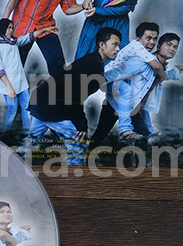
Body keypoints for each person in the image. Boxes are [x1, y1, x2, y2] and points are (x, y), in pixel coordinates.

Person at [26, 27, 121, 165]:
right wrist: (81, 125)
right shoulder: (92, 64)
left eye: (118, 45)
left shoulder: (94, 62)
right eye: (114, 44)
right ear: (102, 45)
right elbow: (74, 94)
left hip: (40, 102)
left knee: (30, 144)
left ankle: (13, 167)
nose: (117, 49)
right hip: (50, 106)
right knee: (78, 148)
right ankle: (75, 177)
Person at [90, 32, 183, 148]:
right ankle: (87, 155)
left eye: (175, 47)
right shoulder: (142, 62)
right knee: (100, 135)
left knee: (142, 140)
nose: (172, 49)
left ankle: (140, 159)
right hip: (115, 104)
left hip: (137, 108)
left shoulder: (160, 68)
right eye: (168, 44)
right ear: (159, 46)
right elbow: (118, 72)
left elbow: (163, 76)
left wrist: (175, 71)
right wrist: (96, 82)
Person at [0, 18, 58, 133]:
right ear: (2, 28)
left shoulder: (14, 41)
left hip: (20, 83)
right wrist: (9, 88)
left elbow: (29, 37)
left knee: (27, 108)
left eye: (12, 28)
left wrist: (44, 29)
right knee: (12, 109)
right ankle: (5, 135)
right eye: (9, 28)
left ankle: (27, 134)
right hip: (7, 85)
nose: (11, 30)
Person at [100, 22, 166, 141]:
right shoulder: (137, 46)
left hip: (117, 81)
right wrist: (163, 76)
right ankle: (125, 129)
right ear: (138, 39)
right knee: (127, 90)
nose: (152, 42)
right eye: (148, 38)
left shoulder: (144, 53)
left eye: (155, 39)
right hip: (108, 79)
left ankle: (148, 129)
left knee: (139, 97)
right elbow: (156, 66)